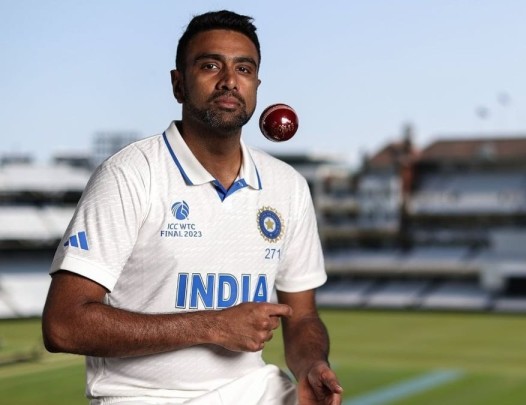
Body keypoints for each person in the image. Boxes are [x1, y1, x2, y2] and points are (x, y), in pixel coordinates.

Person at [42, 10, 343, 405]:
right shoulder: (129, 174)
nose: (229, 80)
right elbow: (63, 325)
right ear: (178, 84)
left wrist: (311, 366)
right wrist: (213, 326)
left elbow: (301, 316)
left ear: (256, 86)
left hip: (256, 391)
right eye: (210, 65)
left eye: (244, 69)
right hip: (146, 397)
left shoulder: (288, 186)